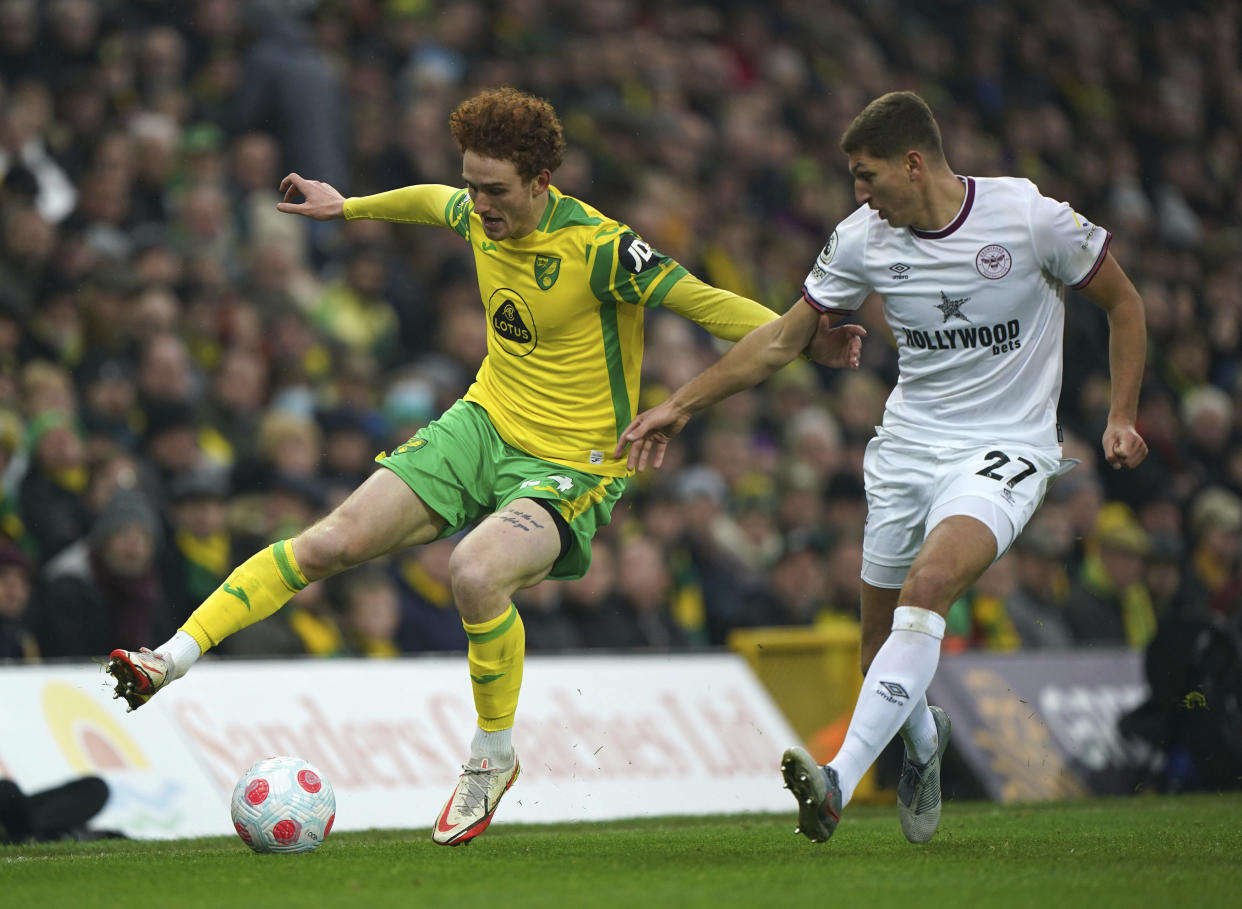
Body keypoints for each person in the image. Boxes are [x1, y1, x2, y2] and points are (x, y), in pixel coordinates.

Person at [105, 87, 862, 847]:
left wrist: (799, 336)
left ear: (540, 181)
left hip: (572, 464)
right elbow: (432, 201)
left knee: (473, 571)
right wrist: (351, 206)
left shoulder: (602, 248)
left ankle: (492, 756)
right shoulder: (474, 209)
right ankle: (167, 659)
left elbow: (707, 303)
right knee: (330, 541)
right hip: (482, 424)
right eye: (472, 183)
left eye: (494, 190)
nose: (478, 203)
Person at [616, 91, 1149, 845]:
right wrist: (682, 404)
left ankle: (835, 780)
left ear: (913, 162)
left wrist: (1120, 413)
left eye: (867, 177)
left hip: (1007, 446)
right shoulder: (862, 239)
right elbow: (778, 341)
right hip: (906, 447)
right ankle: (921, 740)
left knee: (928, 586)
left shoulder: (1029, 218)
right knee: (879, 647)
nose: (859, 195)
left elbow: (1124, 303)